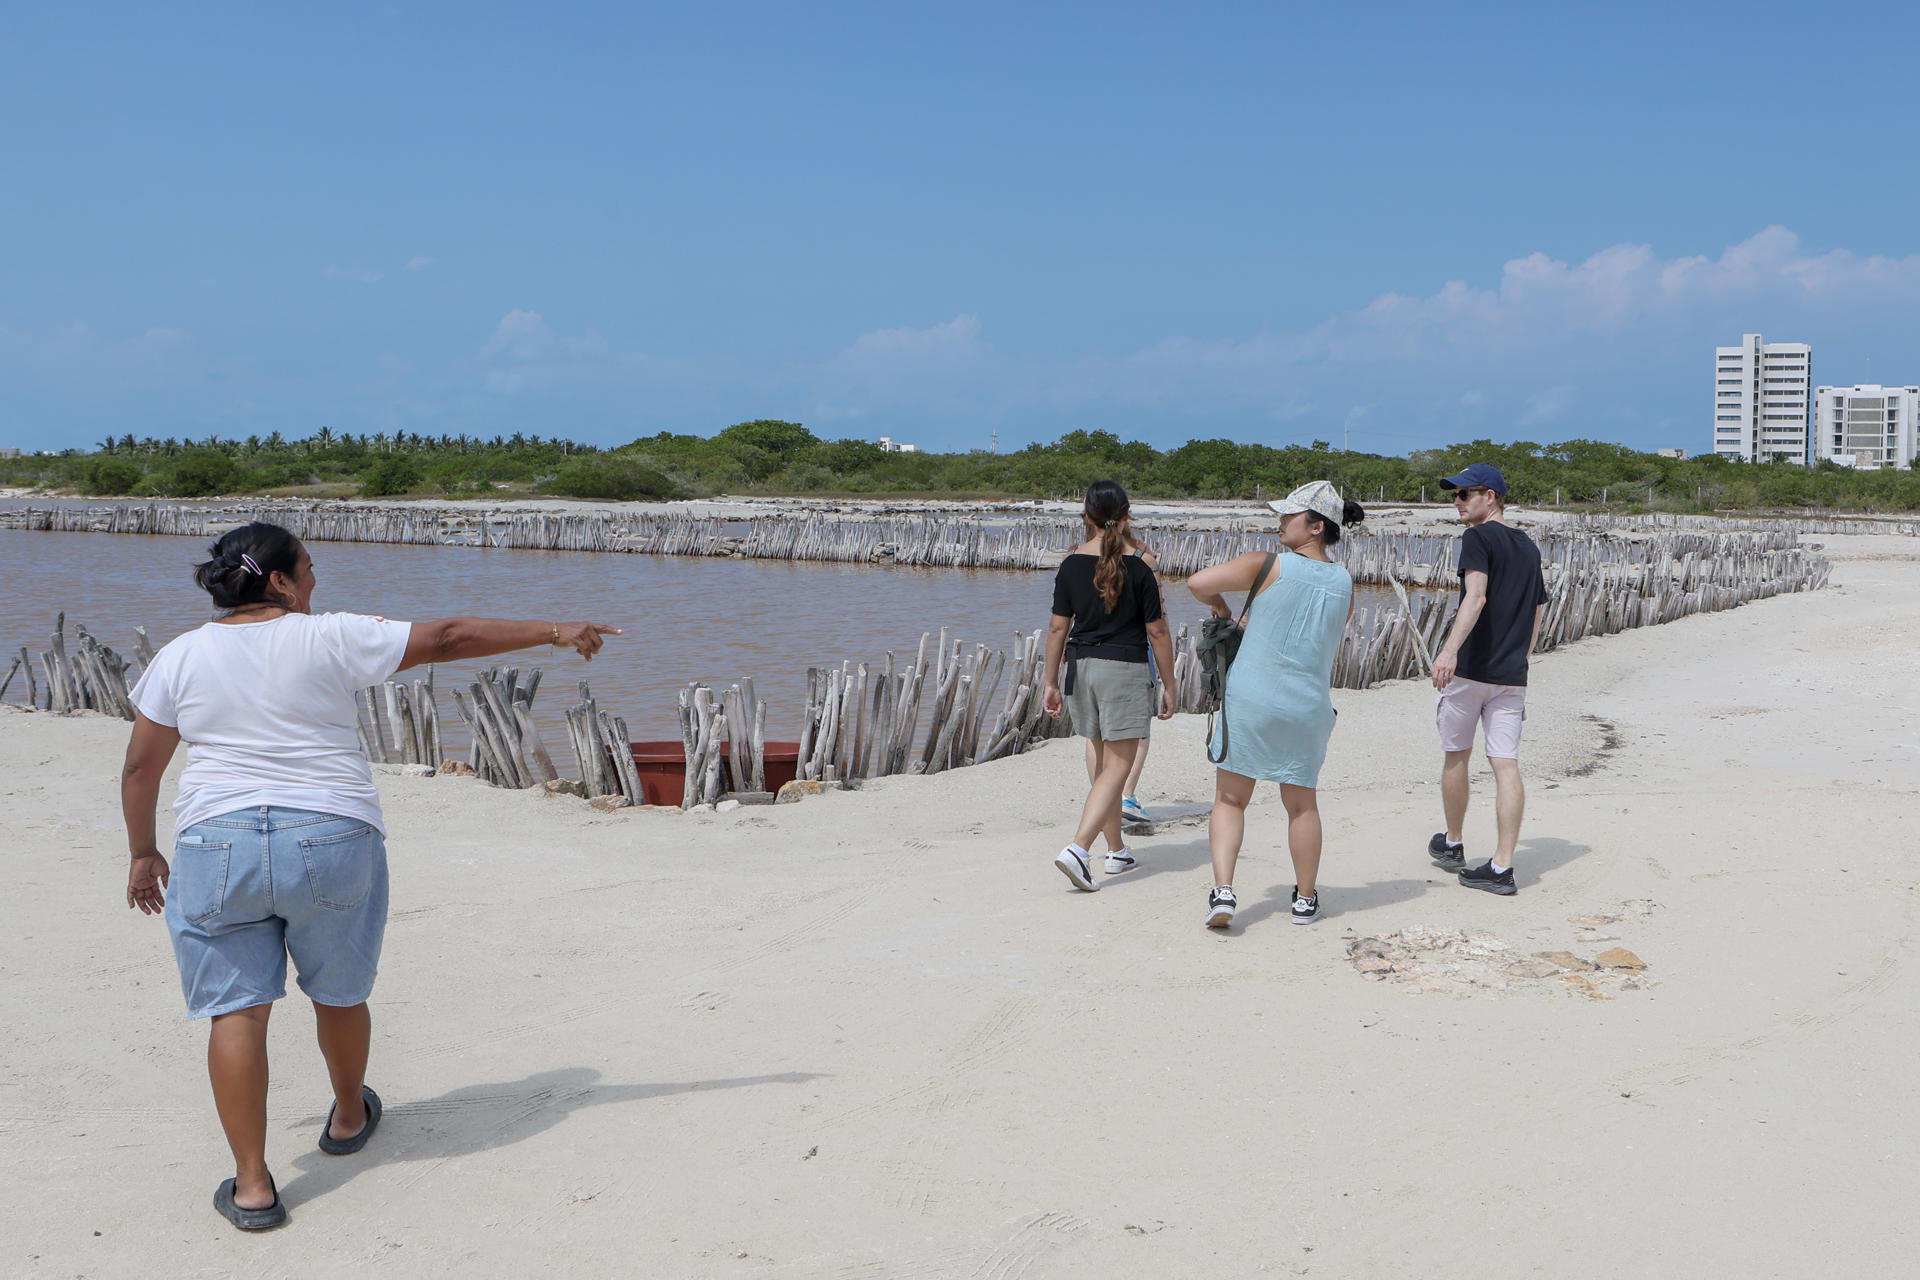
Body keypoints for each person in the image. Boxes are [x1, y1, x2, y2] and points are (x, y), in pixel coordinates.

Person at [121, 521, 619, 1231]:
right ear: (283, 581)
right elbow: (447, 637)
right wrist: (555, 631)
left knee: (237, 1010)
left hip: (217, 840)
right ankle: (350, 1117)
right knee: (339, 991)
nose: (317, 579)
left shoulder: (181, 655)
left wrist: (143, 851)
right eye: (310, 567)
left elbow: (142, 765)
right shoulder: (329, 636)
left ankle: (255, 1186)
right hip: (329, 833)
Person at [1187, 481, 1362, 929]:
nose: (1280, 522)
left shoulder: (1267, 564)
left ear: (1316, 526)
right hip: (1307, 704)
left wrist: (1224, 609)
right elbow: (1317, 636)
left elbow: (1196, 583)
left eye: (1289, 516)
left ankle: (1224, 892)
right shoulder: (1345, 582)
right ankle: (1305, 900)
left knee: (1230, 799)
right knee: (1302, 805)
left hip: (1252, 698)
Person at [1043, 481, 1176, 890]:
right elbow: (1157, 631)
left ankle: (1117, 850)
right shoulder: (1139, 565)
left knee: (1102, 760)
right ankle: (1080, 849)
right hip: (1124, 669)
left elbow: (1057, 628)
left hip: (1082, 668)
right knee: (1118, 765)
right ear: (1128, 516)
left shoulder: (1070, 564)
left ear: (1086, 516)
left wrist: (1049, 681)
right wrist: (1170, 683)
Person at [1427, 462, 1549, 895]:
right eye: (1455, 494)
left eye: (1464, 494)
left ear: (1490, 496)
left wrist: (1448, 651)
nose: (1456, 502)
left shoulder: (1477, 537)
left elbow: (1475, 597)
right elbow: (1536, 612)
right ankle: (1502, 867)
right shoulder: (1529, 546)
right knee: (1505, 765)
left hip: (1473, 669)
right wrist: (1522, 659)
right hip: (1511, 674)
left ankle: (1454, 842)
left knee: (1456, 755)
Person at [1082, 533, 1161, 825]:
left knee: (1096, 733)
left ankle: (1101, 796)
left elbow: (1062, 617)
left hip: (1089, 654)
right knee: (1139, 730)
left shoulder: (1077, 558)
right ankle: (1124, 795)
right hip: (1132, 652)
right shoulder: (1141, 560)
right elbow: (1158, 620)